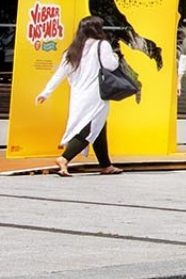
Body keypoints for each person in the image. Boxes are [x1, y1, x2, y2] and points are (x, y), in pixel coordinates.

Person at [34, 16, 124, 177]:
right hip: (96, 95)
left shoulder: (73, 49)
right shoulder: (102, 45)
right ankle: (64, 158)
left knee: (98, 126)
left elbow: (60, 73)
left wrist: (46, 92)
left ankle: (106, 165)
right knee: (90, 129)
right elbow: (110, 65)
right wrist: (116, 57)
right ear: (97, 29)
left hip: (78, 95)